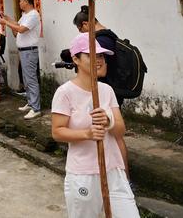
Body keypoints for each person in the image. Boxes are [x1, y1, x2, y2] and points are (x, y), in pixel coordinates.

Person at [51, 33, 139, 218]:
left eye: (101, 55)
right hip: (83, 173)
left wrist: (109, 121)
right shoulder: (65, 93)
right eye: (92, 55)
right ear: (75, 59)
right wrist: (87, 133)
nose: (99, 60)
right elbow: (57, 132)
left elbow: (120, 131)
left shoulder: (106, 91)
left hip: (113, 170)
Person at [73, 5, 131, 176]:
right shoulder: (108, 35)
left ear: (85, 24)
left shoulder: (101, 40)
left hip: (108, 89)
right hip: (112, 86)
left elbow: (101, 70)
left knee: (115, 136)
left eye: (80, 29)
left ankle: (124, 177)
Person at [0, 0, 41, 119]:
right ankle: (31, 102)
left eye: (21, 1)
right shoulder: (25, 15)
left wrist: (6, 22)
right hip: (24, 50)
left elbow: (21, 29)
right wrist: (7, 18)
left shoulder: (33, 14)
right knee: (26, 79)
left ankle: (36, 108)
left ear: (27, 2)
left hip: (29, 50)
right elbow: (17, 26)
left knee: (31, 79)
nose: (19, 3)